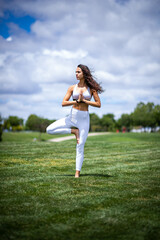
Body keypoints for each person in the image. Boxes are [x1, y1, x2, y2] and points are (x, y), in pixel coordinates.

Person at [46, 64, 103, 178]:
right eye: (75, 72)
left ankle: (77, 173)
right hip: (72, 117)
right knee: (49, 130)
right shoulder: (72, 88)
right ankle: (73, 132)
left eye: (78, 72)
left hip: (84, 120)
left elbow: (98, 104)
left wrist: (85, 101)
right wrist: (76, 101)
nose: (76, 74)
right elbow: (63, 103)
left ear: (84, 74)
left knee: (80, 145)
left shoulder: (91, 89)